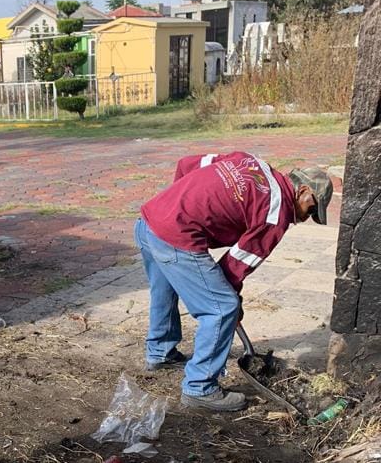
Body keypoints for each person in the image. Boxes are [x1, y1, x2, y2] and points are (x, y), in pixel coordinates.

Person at [135, 152, 332, 412]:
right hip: (175, 236)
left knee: (166, 287)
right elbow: (235, 266)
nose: (305, 218)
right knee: (221, 308)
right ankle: (200, 387)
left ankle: (160, 353)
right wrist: (232, 301)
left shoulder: (251, 162)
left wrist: (177, 205)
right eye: (311, 209)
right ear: (303, 190)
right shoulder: (276, 213)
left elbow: (187, 164)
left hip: (150, 220)